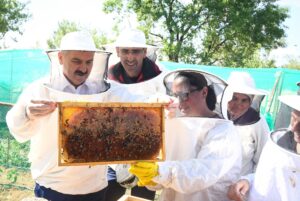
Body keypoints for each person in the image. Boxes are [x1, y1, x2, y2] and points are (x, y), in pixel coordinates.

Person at [6, 31, 113, 201]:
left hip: (95, 188)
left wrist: (162, 102)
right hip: (53, 188)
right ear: (61, 58)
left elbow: (136, 102)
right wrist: (27, 113)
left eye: (89, 62)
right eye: (76, 61)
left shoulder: (104, 90)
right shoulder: (39, 88)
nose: (84, 68)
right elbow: (16, 128)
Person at [129, 70, 242, 201]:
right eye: (174, 95)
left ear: (204, 92)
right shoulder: (177, 124)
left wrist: (159, 171)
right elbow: (165, 171)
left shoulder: (224, 130)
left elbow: (203, 171)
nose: (179, 101)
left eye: (184, 95)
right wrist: (152, 178)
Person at [104, 28, 166, 201]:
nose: (130, 57)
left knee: (142, 198)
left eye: (136, 51)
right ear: (117, 51)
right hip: (113, 153)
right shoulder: (106, 77)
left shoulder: (161, 77)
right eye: (125, 51)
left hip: (147, 155)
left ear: (145, 52)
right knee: (108, 196)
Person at [227, 94, 300, 201]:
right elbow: (266, 178)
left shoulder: (258, 124)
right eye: (293, 119)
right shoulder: (277, 145)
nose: (294, 128)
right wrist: (248, 181)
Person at [221, 71, 269, 176]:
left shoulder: (258, 123)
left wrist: (249, 182)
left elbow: (263, 159)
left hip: (240, 187)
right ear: (227, 97)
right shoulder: (216, 117)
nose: (238, 104)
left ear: (250, 102)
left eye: (244, 100)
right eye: (234, 98)